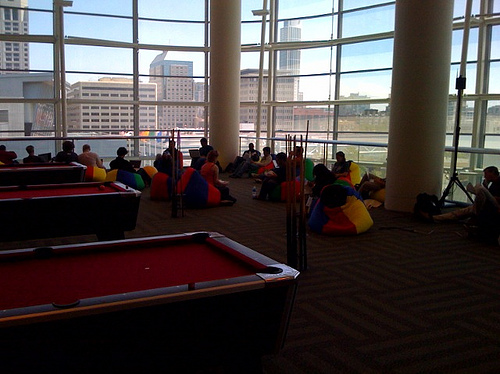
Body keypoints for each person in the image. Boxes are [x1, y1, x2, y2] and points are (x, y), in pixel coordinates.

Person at [433, 166, 500, 223]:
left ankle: (475, 214)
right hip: (490, 203)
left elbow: (496, 198)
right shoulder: (493, 183)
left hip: (496, 204)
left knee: (480, 189)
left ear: (492, 173)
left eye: (486, 174)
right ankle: (434, 218)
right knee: (459, 212)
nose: (485, 176)